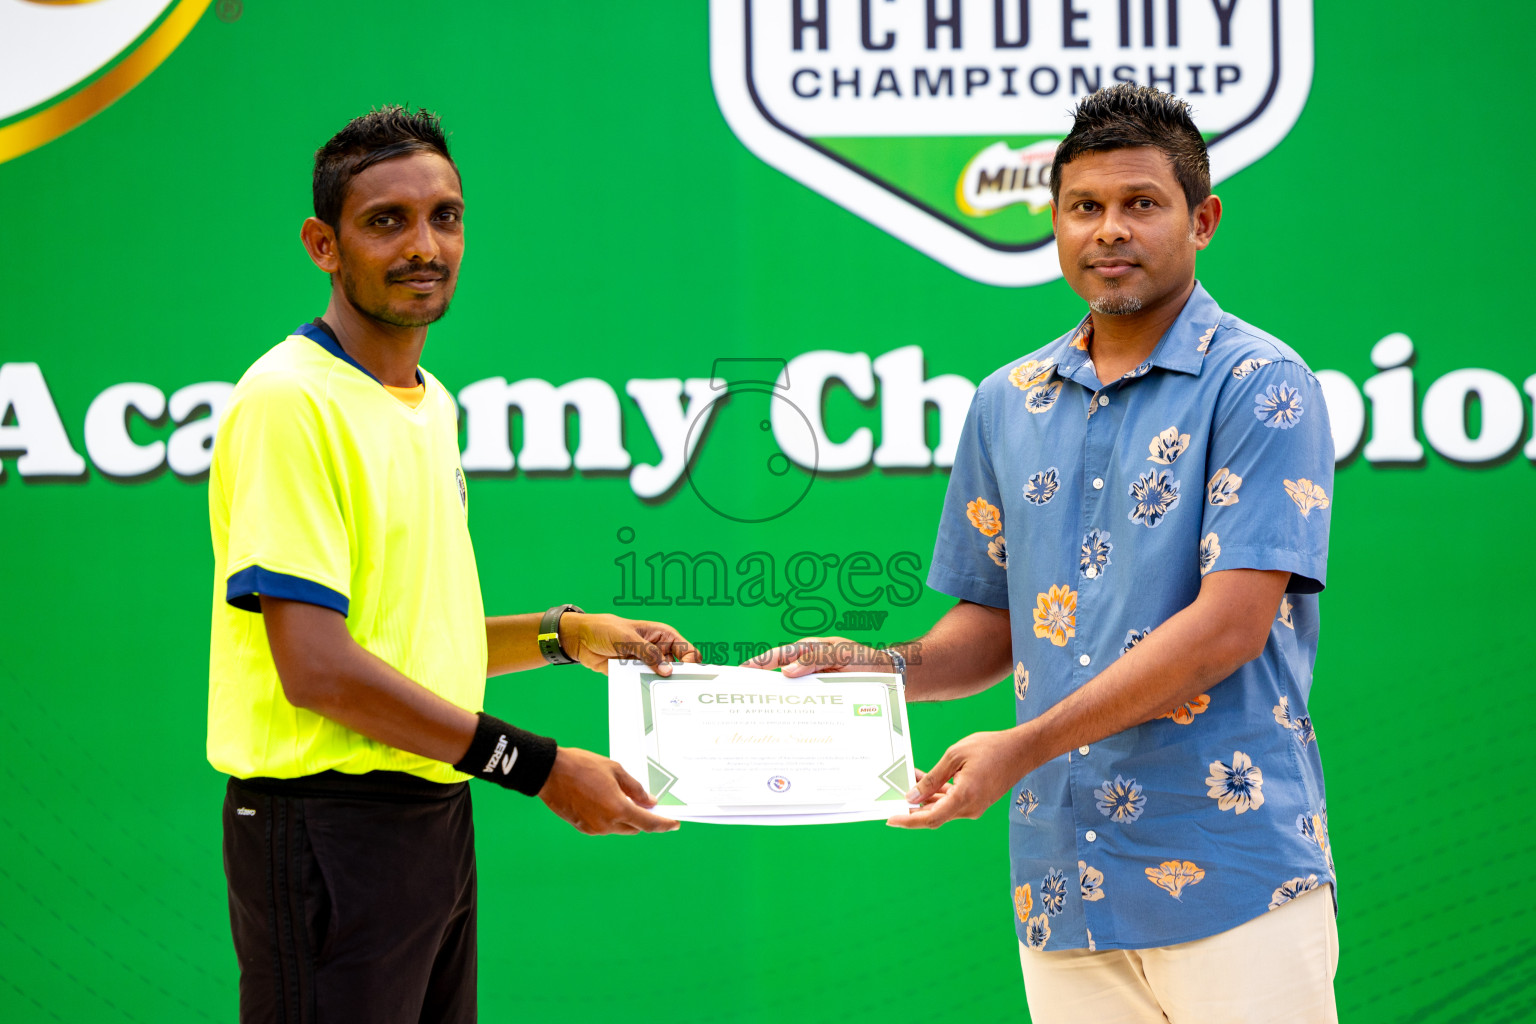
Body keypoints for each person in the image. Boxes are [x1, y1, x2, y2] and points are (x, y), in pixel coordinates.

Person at [751, 84, 1338, 1023]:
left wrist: (1019, 749)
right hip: (1063, 887)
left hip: (1237, 878)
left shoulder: (1261, 385)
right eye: (1085, 207)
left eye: (1141, 204)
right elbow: (992, 625)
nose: (1110, 230)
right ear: (1056, 224)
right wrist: (877, 671)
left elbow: (1229, 628)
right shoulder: (1006, 401)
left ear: (1203, 220)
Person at [207, 106, 697, 1024]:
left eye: (445, 216)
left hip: (430, 818)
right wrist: (539, 765)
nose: (423, 245)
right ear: (324, 243)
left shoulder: (430, 402)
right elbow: (318, 669)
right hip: (323, 829)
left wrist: (566, 636)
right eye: (385, 220)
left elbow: (407, 640)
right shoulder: (288, 401)